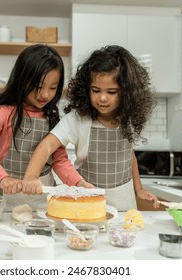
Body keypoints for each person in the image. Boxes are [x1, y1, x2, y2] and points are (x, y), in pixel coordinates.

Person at [22, 45, 159, 211]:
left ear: (127, 92)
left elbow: (129, 156)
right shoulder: (78, 119)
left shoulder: (127, 118)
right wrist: (31, 176)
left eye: (111, 92)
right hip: (87, 203)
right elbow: (47, 145)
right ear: (86, 88)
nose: (102, 98)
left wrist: (139, 189)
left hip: (125, 204)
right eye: (96, 90)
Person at [0, 44, 89, 210]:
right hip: (7, 200)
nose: (46, 94)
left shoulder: (52, 118)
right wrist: (3, 179)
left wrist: (78, 182)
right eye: (39, 87)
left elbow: (59, 160)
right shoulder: (5, 113)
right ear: (22, 80)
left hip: (43, 202)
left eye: (53, 88)